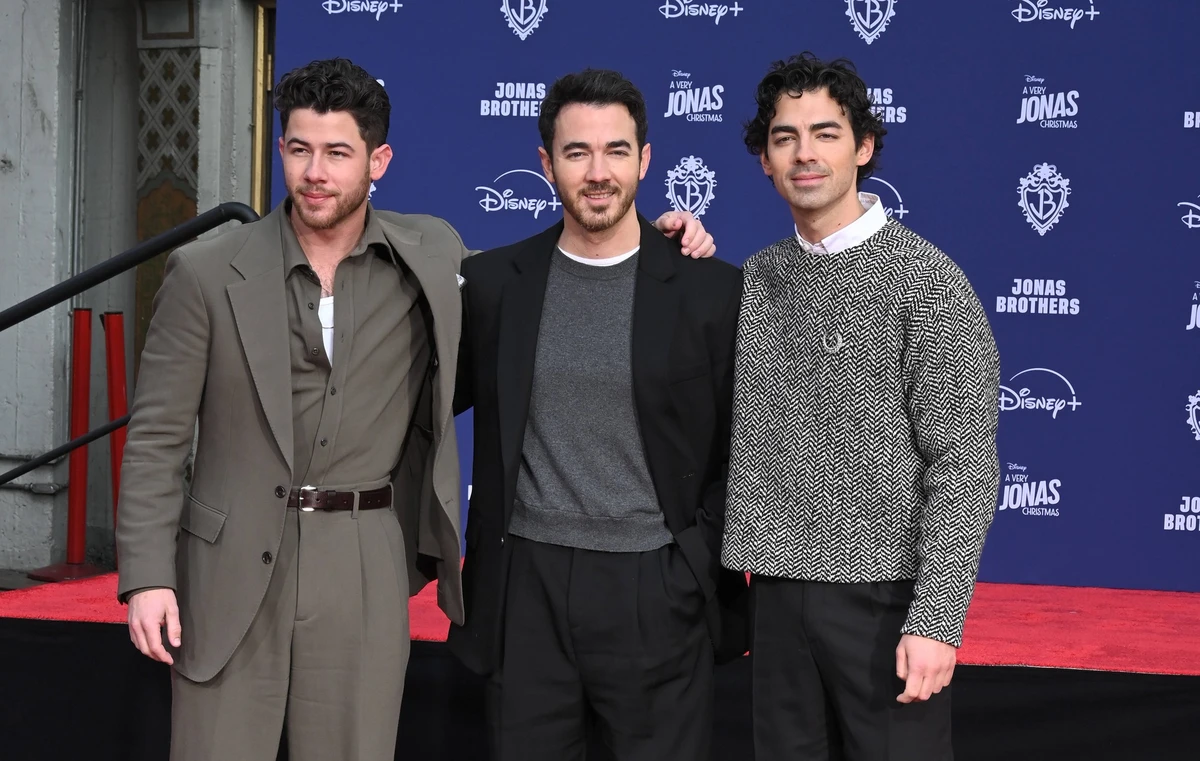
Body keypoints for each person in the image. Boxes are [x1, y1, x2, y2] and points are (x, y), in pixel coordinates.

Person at [114, 57, 715, 761]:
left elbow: (561, 261)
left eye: (339, 152)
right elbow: (156, 437)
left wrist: (669, 238)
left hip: (364, 557)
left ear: (380, 160)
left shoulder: (432, 255)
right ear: (280, 151)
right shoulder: (206, 270)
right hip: (229, 562)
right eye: (300, 149)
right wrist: (148, 575)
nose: (316, 171)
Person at [446, 68, 748, 761]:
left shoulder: (710, 289)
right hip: (526, 585)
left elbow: (746, 450)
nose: (598, 171)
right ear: (546, 164)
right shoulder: (493, 284)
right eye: (577, 152)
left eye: (616, 151)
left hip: (655, 583)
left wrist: (690, 558)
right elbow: (424, 401)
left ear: (645, 160)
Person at [720, 52, 1001, 760]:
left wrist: (937, 618)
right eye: (785, 137)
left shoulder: (929, 282)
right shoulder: (752, 280)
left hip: (886, 602)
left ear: (864, 146)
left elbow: (964, 466)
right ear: (764, 159)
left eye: (825, 132)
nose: (804, 153)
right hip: (777, 596)